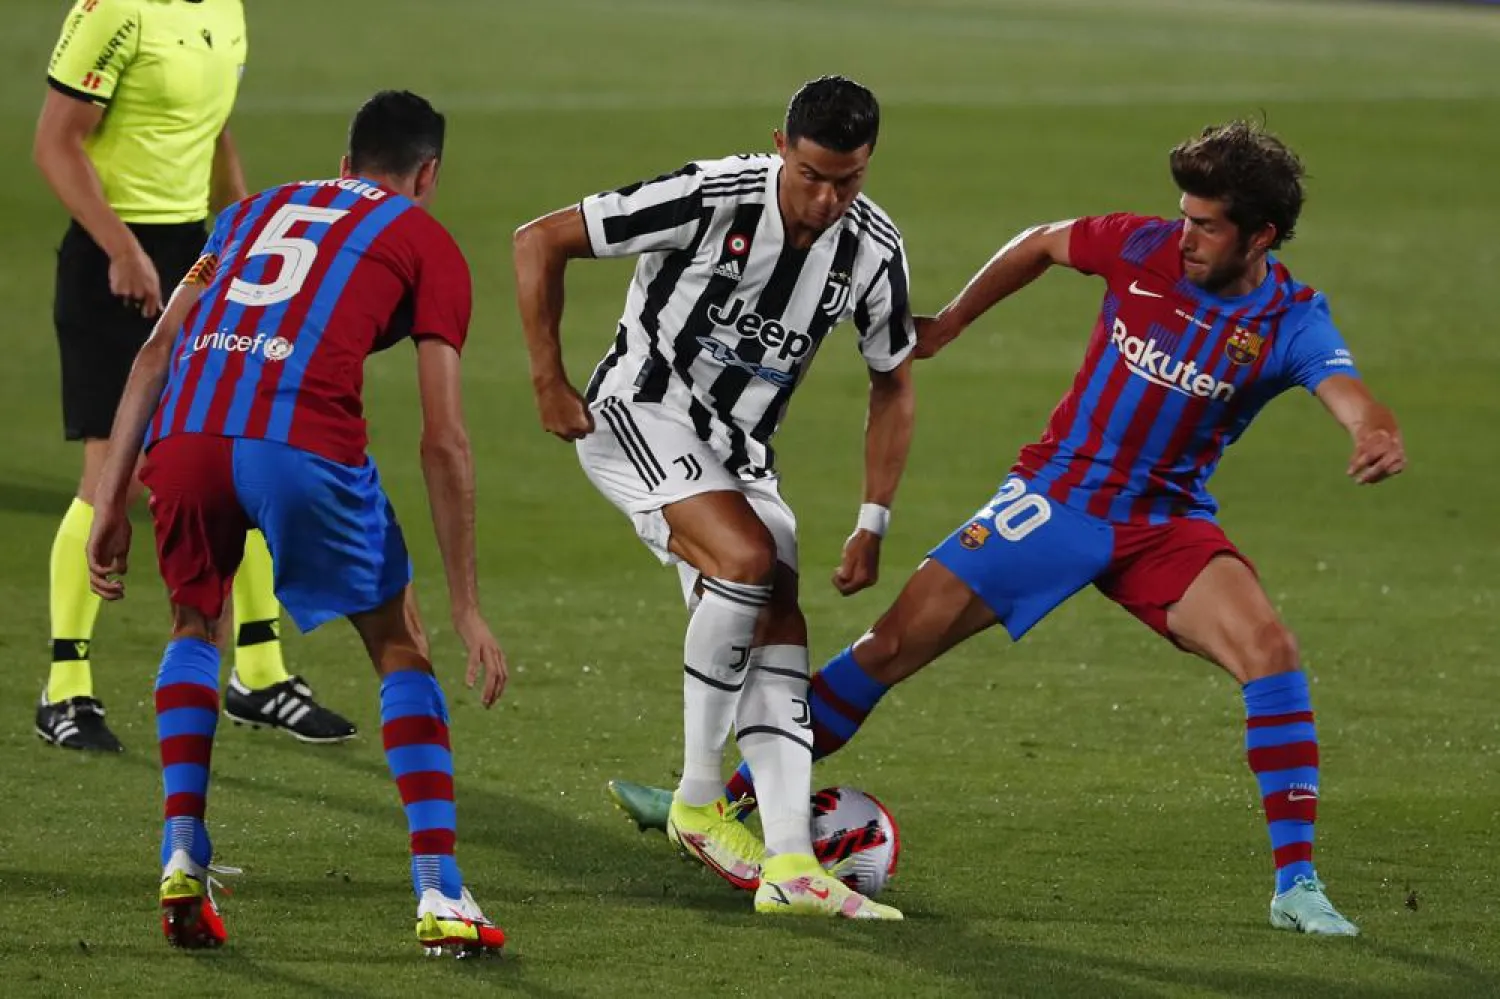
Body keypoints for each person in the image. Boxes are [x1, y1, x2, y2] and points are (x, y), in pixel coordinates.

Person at [609, 120, 1406, 936]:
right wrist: (954, 320)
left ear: (1260, 236)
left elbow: (1350, 393)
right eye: (1184, 215)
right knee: (888, 647)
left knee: (1270, 650)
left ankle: (1297, 885)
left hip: (1164, 523)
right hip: (1053, 502)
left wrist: (1372, 432)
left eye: (1205, 225)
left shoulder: (1288, 320)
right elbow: (1042, 243)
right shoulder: (1140, 246)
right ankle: (714, 804)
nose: (1185, 236)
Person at [85, 90, 509, 955]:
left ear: (344, 164)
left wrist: (110, 496)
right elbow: (444, 438)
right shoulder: (424, 238)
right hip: (299, 443)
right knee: (399, 638)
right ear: (427, 174)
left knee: (194, 623)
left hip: (187, 437)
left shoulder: (246, 214)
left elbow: (156, 352)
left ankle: (181, 850)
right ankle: (439, 887)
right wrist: (466, 604)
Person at [514, 76, 914, 920]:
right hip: (637, 413)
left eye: (848, 180)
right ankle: (697, 801)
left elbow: (893, 381)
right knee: (746, 559)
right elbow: (540, 239)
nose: (827, 199)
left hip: (741, 456)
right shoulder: (711, 195)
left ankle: (792, 864)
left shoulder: (874, 249)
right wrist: (548, 378)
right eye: (811, 175)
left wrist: (873, 517)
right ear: (780, 147)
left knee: (781, 616)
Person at [33, 0, 354, 751]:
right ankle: (66, 687)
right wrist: (120, 248)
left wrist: (245, 230)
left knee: (239, 455)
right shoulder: (113, 11)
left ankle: (260, 673)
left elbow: (211, 126)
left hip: (194, 256)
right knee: (111, 475)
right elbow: (55, 143)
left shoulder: (223, 9)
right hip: (110, 261)